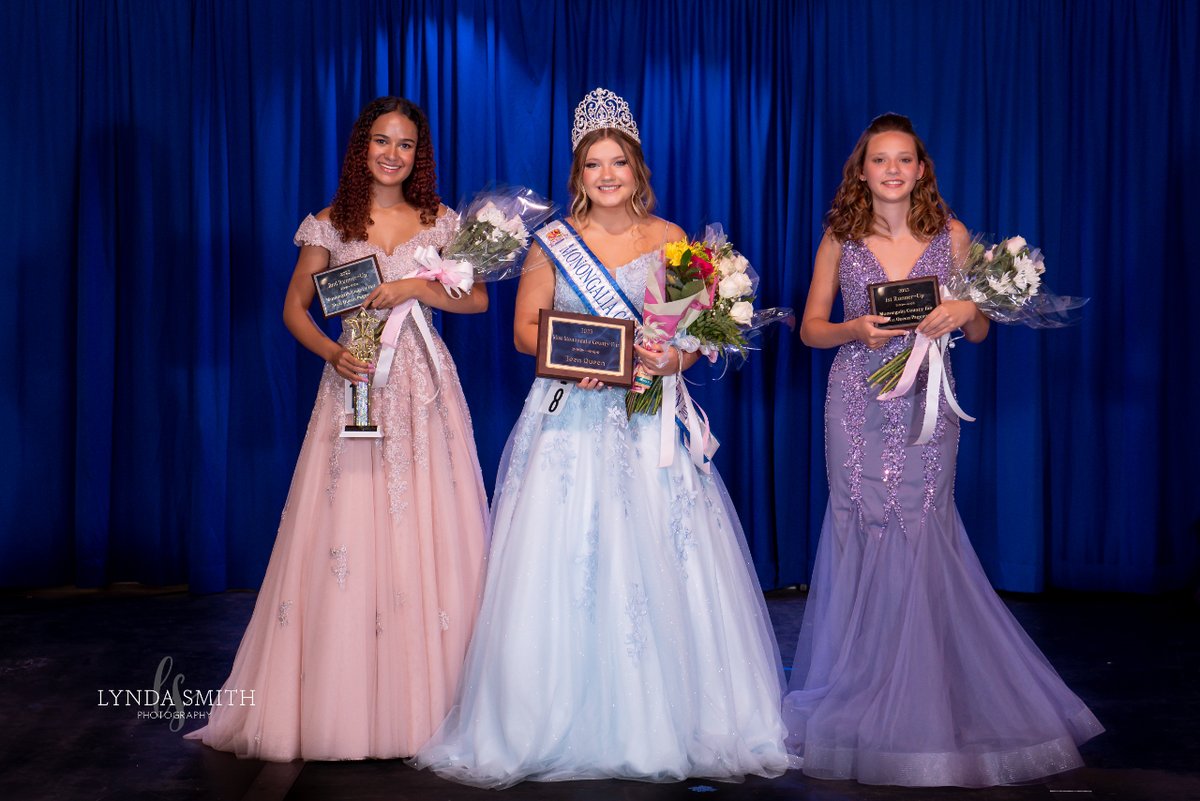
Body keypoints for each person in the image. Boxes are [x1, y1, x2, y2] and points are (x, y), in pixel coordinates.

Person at [411, 88, 790, 787]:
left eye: (619, 161)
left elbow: (690, 341)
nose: (608, 174)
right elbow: (528, 331)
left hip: (648, 425)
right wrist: (579, 358)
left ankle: (673, 718)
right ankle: (546, 718)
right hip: (570, 420)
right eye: (594, 163)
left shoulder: (675, 238)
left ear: (638, 167)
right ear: (577, 173)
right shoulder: (552, 240)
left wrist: (667, 357)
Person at [784, 113, 1103, 786]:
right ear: (862, 170)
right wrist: (853, 328)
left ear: (921, 168)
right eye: (880, 160)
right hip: (855, 403)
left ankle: (920, 693)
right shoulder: (840, 238)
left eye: (905, 159)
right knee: (860, 526)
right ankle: (858, 684)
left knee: (921, 525)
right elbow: (810, 328)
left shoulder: (953, 237)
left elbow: (982, 330)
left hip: (927, 406)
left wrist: (966, 311)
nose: (893, 170)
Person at [187, 96, 489, 761]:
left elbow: (479, 298)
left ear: (420, 154)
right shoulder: (331, 223)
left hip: (424, 392)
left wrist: (411, 288)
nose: (393, 153)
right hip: (354, 386)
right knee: (349, 526)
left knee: (429, 526)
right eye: (381, 141)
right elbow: (296, 309)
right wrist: (332, 353)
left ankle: (438, 704)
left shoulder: (442, 220)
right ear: (361, 148)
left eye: (406, 144)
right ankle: (344, 701)